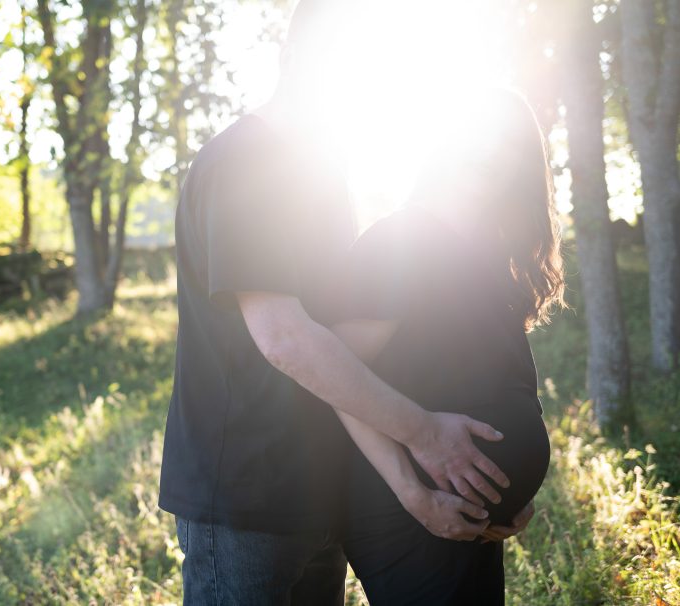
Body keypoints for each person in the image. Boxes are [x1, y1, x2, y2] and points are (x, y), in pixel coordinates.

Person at [158, 2, 528, 604]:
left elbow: (355, 341)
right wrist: (423, 434)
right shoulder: (246, 161)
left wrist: (446, 482)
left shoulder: (321, 176)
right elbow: (285, 338)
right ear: (296, 58)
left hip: (319, 492)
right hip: (246, 498)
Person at [333, 89, 564, 604]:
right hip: (408, 514)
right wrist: (414, 494)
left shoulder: (487, 253)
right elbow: (339, 381)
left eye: (509, 148)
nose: (492, 157)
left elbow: (501, 379)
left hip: (471, 515)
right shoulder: (402, 241)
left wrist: (511, 495)